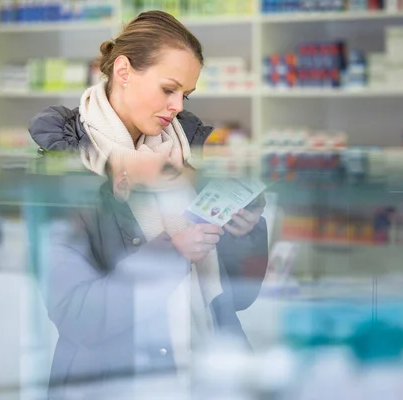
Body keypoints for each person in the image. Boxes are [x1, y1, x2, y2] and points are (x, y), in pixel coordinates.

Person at [27, 10, 268, 398]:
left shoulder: (187, 149)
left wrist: (246, 227)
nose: (177, 106)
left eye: (185, 95)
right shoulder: (67, 165)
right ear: (123, 71)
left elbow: (239, 298)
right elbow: (79, 316)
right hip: (117, 381)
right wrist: (173, 254)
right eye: (168, 89)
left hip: (204, 369)